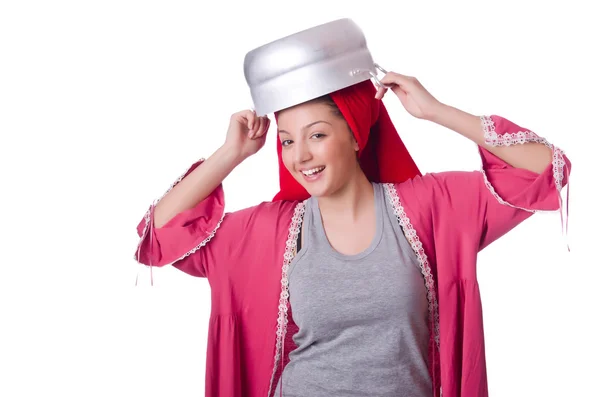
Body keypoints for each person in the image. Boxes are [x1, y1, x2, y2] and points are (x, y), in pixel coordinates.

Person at [134, 72, 570, 397]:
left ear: (356, 136)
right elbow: (158, 235)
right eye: (286, 141)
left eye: (317, 135)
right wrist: (230, 153)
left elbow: (546, 170)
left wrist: (435, 111)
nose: (300, 155)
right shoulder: (271, 230)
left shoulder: (429, 208)